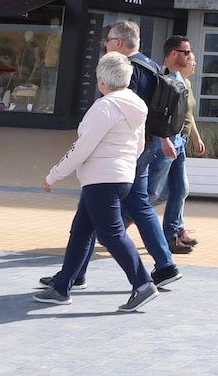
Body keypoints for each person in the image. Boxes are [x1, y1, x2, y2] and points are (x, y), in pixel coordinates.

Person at [47, 21, 180, 294]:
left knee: (109, 220)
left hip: (117, 156)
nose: (105, 44)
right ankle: (72, 277)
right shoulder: (152, 67)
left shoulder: (121, 71)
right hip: (140, 148)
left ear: (119, 42)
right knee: (127, 208)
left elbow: (102, 127)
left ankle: (85, 277)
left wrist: (55, 174)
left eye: (107, 40)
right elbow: (153, 112)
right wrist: (163, 138)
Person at [34, 52, 159, 311]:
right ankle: (62, 287)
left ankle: (143, 284)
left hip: (101, 179)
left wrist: (53, 175)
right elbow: (138, 146)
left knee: (111, 234)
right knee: (81, 230)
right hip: (121, 176)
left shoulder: (104, 107)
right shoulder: (137, 105)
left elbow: (81, 148)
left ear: (102, 80)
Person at [152, 37, 205, 255]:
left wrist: (196, 138)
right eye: (187, 52)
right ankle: (119, 221)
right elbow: (157, 114)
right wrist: (164, 140)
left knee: (180, 188)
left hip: (179, 143)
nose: (190, 57)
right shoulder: (162, 78)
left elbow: (186, 114)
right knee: (153, 192)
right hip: (165, 144)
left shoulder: (181, 80)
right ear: (174, 54)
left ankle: (172, 234)